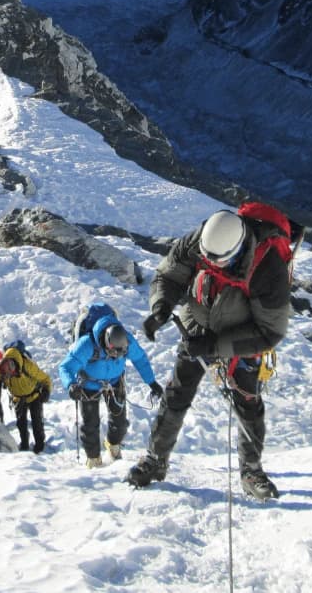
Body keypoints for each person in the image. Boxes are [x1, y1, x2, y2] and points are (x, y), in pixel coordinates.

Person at [126, 207, 295, 500]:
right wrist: (161, 306)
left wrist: (215, 347)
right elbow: (170, 273)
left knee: (247, 402)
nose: (212, 265)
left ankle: (252, 470)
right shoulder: (201, 241)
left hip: (242, 338)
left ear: (238, 247)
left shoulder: (268, 269)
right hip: (198, 325)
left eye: (220, 261)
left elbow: (270, 332)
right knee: (177, 393)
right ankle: (155, 460)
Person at [59, 315, 163, 468]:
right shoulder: (87, 344)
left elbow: (140, 359)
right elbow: (66, 367)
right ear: (106, 342)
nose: (117, 355)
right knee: (90, 424)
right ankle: (93, 458)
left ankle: (113, 445)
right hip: (89, 384)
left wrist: (152, 382)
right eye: (114, 352)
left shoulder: (126, 340)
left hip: (115, 381)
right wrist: (71, 385)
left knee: (120, 422)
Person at [0, 345, 52, 453]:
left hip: (34, 396)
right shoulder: (1, 368)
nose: (7, 376)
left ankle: (39, 446)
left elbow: (45, 378)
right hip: (18, 398)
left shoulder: (27, 366)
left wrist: (46, 391)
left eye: (8, 373)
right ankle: (25, 445)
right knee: (21, 424)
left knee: (37, 423)